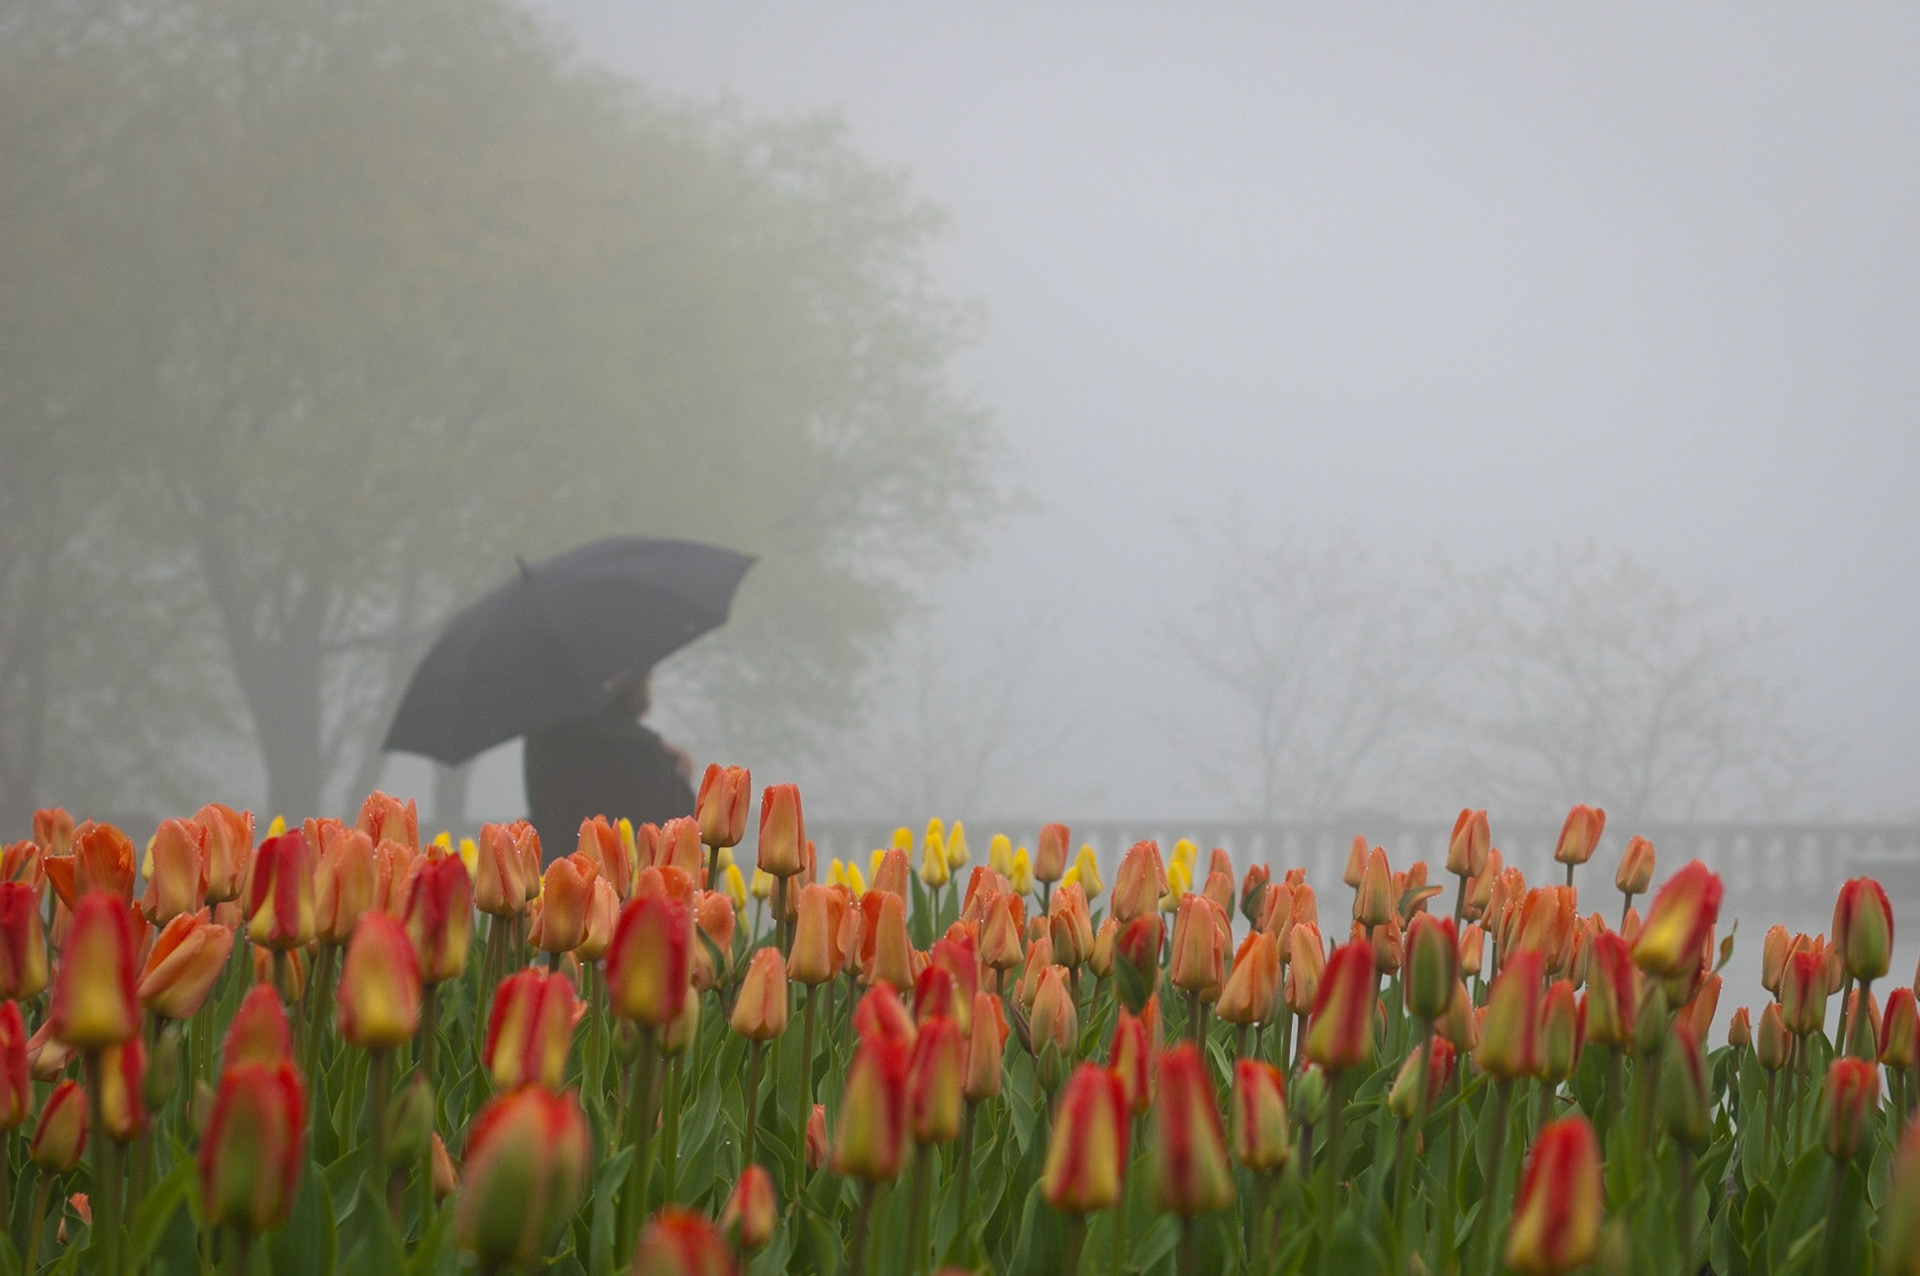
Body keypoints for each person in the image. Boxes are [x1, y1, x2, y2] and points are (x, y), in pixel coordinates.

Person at [522, 670, 695, 864]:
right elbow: (683, 852)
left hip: (558, 881)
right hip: (638, 887)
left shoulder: (544, 741)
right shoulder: (646, 755)